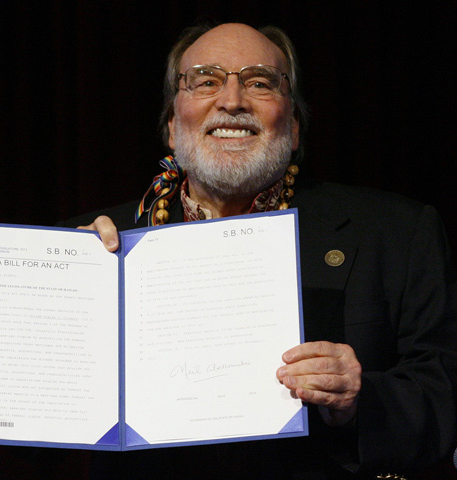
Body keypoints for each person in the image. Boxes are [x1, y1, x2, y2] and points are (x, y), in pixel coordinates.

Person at [59, 22, 457, 479]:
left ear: (292, 127)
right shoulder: (93, 246)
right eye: (206, 80)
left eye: (260, 83)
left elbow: (444, 397)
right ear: (172, 125)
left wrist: (358, 398)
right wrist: (71, 302)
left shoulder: (395, 233)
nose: (231, 101)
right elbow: (31, 438)